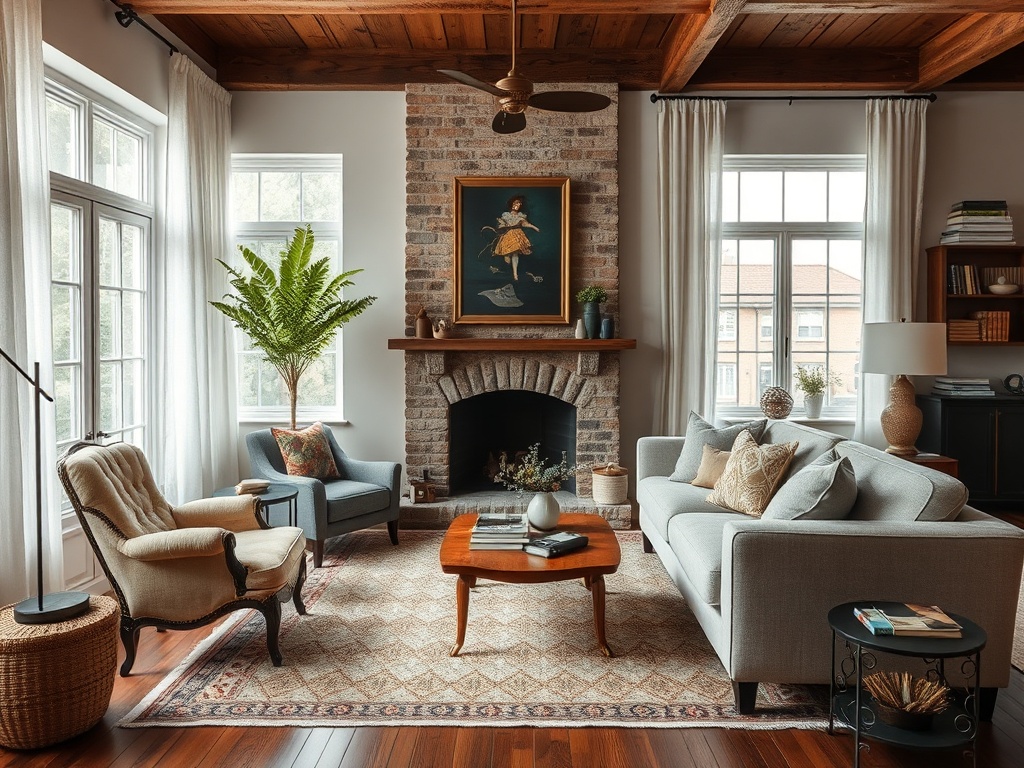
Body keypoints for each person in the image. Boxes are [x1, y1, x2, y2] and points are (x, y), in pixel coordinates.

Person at [489, 195, 539, 281]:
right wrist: (502, 226)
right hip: (507, 235)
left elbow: (525, 224)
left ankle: (515, 274)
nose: (516, 205)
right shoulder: (506, 215)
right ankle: (506, 266)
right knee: (507, 256)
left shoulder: (521, 216)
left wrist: (534, 227)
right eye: (515, 203)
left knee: (515, 254)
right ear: (512, 204)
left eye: (519, 204)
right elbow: (501, 225)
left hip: (517, 235)